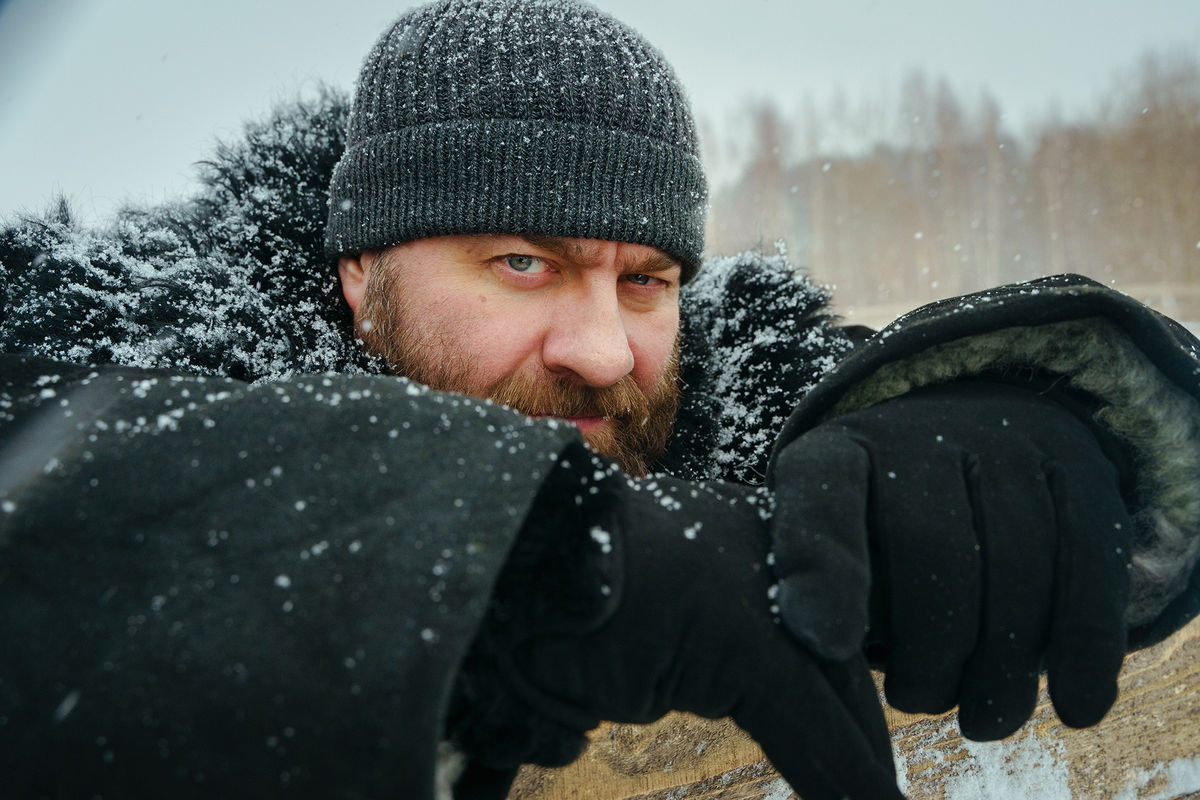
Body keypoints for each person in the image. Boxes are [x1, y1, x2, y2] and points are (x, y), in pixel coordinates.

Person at [1, 1, 1197, 798]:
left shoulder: (721, 383)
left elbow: (983, 415)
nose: (605, 349)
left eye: (646, 277)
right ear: (358, 274)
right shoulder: (120, 355)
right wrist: (517, 556)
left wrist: (1053, 413)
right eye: (522, 261)